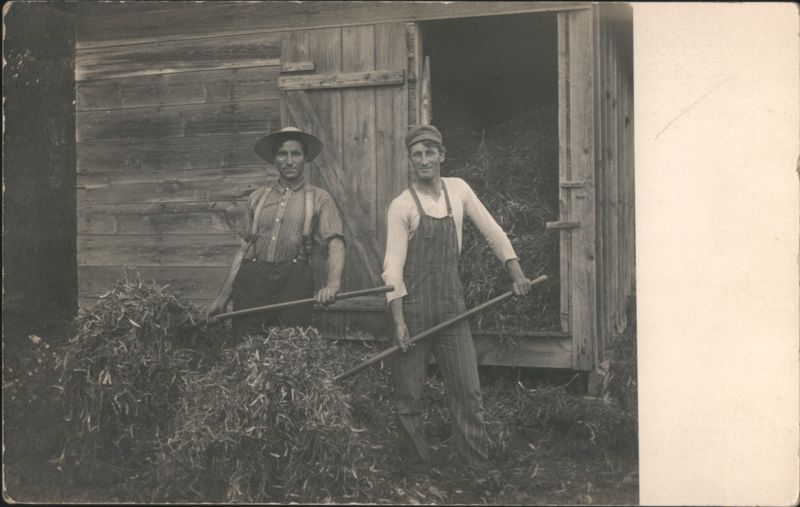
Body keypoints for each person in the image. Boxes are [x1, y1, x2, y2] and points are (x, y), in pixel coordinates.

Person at [382, 124, 533, 473]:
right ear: (410, 160)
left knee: (468, 391)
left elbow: (493, 232)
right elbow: (392, 270)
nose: (424, 160)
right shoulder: (401, 206)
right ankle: (417, 468)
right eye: (416, 154)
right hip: (414, 308)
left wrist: (517, 274)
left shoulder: (459, 191)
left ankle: (476, 465)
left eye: (430, 152)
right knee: (408, 395)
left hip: (452, 306)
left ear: (442, 155)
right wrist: (400, 322)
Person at [208, 127, 345, 340]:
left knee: (289, 352)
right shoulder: (256, 198)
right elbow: (242, 251)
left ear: (305, 158)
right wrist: (222, 299)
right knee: (245, 351)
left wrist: (333, 284)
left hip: (293, 286)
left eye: (296, 154)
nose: (289, 161)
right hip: (251, 285)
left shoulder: (320, 199)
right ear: (274, 159)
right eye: (283, 154)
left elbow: (336, 242)